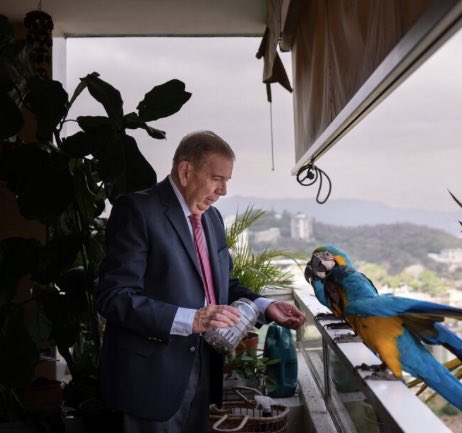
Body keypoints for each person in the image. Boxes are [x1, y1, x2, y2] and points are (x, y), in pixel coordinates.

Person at [95, 130, 306, 433]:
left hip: (204, 371)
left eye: (227, 182)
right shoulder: (138, 210)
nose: (222, 191)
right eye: (216, 178)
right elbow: (113, 297)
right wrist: (190, 319)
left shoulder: (212, 218)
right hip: (151, 379)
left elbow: (221, 285)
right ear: (185, 171)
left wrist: (265, 306)